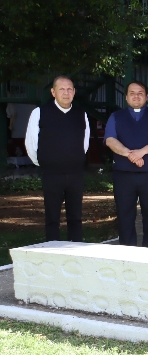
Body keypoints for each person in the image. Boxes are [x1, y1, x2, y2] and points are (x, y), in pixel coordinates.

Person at [104, 81, 148, 248]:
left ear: (147, 97)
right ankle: (127, 251)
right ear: (126, 97)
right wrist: (130, 154)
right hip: (123, 175)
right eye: (132, 93)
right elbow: (110, 140)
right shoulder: (115, 117)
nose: (136, 96)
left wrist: (142, 152)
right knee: (125, 214)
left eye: (140, 93)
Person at [24, 75, 89, 242]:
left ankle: (76, 252)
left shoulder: (82, 115)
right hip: (51, 175)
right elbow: (31, 144)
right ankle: (52, 252)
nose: (66, 93)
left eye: (69, 89)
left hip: (76, 175)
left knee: (75, 218)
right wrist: (45, 163)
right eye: (61, 89)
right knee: (52, 218)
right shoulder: (39, 113)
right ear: (53, 92)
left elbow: (85, 144)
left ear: (74, 92)